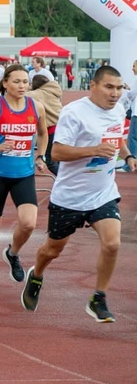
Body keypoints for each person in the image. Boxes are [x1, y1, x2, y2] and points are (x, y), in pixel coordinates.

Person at [22, 65, 135, 323]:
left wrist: (127, 155)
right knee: (52, 250)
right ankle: (37, 274)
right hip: (70, 197)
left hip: (103, 193)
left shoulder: (118, 110)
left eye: (118, 88)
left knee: (112, 243)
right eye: (109, 87)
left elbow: (117, 138)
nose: (115, 93)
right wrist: (94, 150)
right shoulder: (74, 112)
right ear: (93, 86)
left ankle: (98, 297)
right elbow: (58, 153)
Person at [0, 65, 48, 299]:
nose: (22, 86)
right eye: (17, 81)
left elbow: (43, 133)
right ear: (5, 83)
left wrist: (40, 155)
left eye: (25, 81)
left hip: (23, 174)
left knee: (28, 223)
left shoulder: (36, 107)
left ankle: (12, 253)